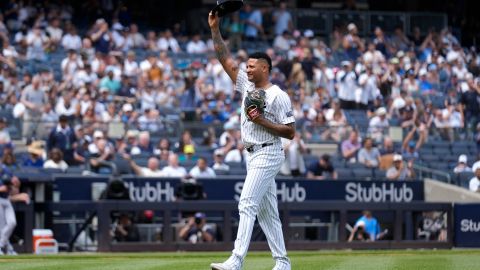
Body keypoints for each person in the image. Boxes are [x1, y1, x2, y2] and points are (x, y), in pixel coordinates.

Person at [209, 11, 294, 270]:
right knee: (268, 213)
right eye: (247, 66)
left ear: (265, 68)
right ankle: (282, 263)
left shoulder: (278, 95)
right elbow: (225, 58)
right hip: (251, 153)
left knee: (246, 202)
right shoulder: (246, 85)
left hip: (269, 152)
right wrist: (215, 29)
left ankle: (236, 260)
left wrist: (262, 122)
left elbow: (290, 132)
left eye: (252, 66)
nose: (246, 68)